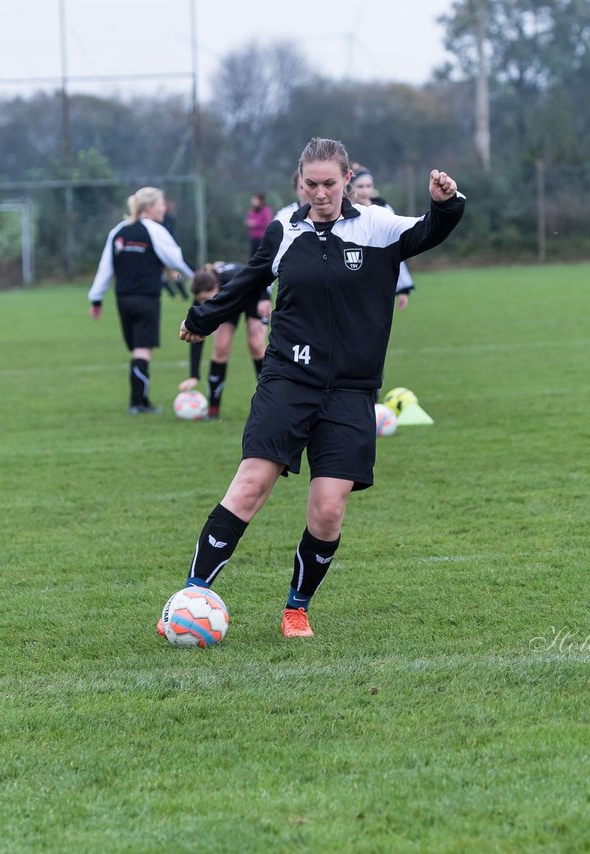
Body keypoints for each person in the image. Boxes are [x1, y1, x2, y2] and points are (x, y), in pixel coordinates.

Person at [172, 137, 464, 639]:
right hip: (288, 379)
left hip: (350, 391)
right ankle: (190, 598)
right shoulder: (285, 226)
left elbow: (430, 231)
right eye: (311, 184)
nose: (321, 193)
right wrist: (203, 317)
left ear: (347, 180)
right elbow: (248, 281)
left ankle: (296, 608)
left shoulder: (378, 225)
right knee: (249, 485)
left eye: (330, 183)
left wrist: (446, 205)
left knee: (328, 509)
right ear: (299, 182)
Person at [89, 186, 194, 414]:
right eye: (161, 203)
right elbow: (176, 259)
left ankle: (138, 401)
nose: (164, 208)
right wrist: (198, 278)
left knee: (137, 349)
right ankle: (138, 403)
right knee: (143, 350)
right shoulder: (154, 230)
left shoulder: (118, 231)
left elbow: (105, 267)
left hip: (123, 299)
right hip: (146, 298)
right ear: (149, 207)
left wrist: (96, 299)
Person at [180, 261, 271, 419]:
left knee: (256, 344)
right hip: (227, 303)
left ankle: (271, 403)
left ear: (217, 285)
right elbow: (195, 335)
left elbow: (260, 275)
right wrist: (194, 374)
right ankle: (213, 410)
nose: (204, 304)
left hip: (255, 293)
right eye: (201, 301)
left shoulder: (233, 277)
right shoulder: (202, 295)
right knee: (221, 346)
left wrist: (266, 298)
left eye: (207, 299)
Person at [351, 166, 415, 310]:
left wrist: (402, 287)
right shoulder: (341, 212)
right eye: (360, 186)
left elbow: (395, 250)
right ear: (349, 187)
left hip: (376, 279)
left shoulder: (383, 211)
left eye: (368, 186)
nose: (365, 191)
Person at [158, 197, 190, 301]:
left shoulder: (167, 219)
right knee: (167, 273)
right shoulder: (162, 219)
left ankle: (181, 293)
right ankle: (177, 293)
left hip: (168, 248)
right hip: (166, 248)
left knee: (172, 273)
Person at [245, 192, 273, 257]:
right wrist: (248, 223)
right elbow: (249, 220)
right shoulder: (251, 210)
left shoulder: (266, 210)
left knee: (262, 256)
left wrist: (255, 223)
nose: (253, 201)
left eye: (255, 200)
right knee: (252, 257)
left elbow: (268, 222)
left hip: (262, 238)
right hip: (253, 238)